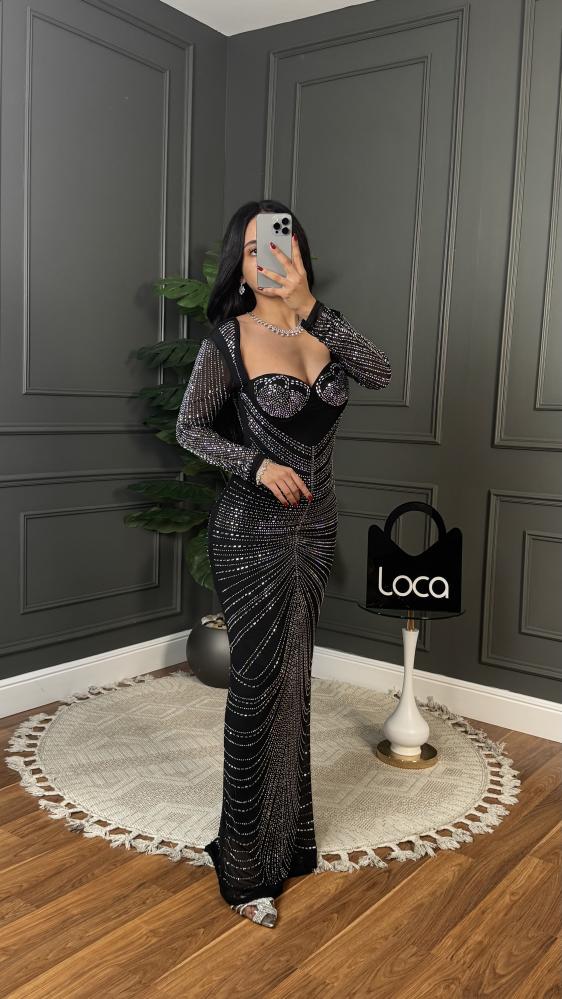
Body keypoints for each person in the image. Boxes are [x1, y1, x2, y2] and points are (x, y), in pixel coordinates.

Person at [176, 200, 392, 928]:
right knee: (256, 689)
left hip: (315, 531)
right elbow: (190, 428)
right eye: (254, 248)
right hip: (251, 533)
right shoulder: (228, 342)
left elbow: (380, 371)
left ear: (299, 253)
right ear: (240, 266)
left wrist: (308, 307)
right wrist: (257, 465)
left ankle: (289, 841)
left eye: (281, 242)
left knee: (295, 683)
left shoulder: (323, 330)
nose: (268, 256)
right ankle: (244, 867)